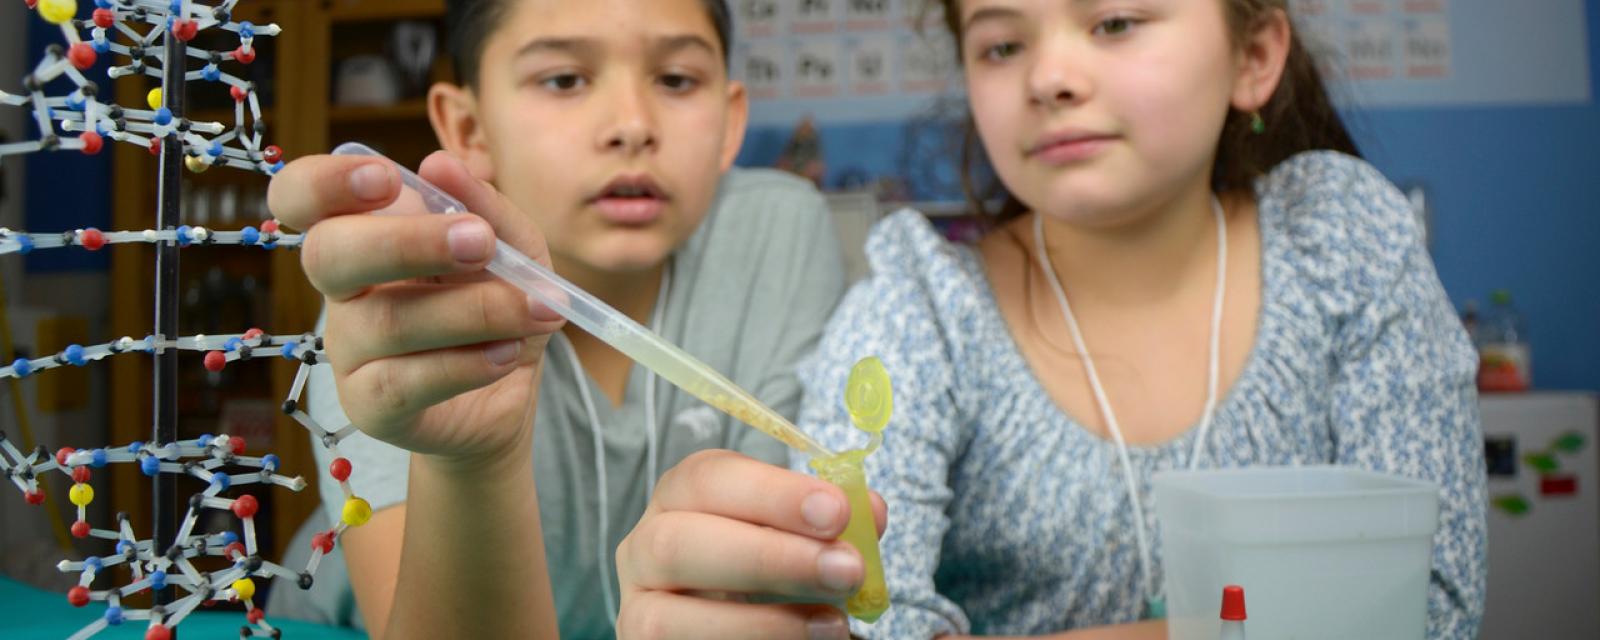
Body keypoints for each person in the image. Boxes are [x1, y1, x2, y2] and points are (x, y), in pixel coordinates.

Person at [791, 0, 1487, 637]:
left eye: (1115, 22)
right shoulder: (919, 308)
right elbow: (859, 619)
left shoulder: (1344, 243)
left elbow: (1429, 608)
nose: (1049, 77)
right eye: (1002, 46)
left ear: (1253, 58)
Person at [265, 0, 866, 637]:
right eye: (564, 80)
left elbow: (773, 583)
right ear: (467, 128)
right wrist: (468, 464)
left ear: (729, 120)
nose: (632, 125)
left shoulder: (779, 230)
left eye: (677, 80)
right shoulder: (403, 295)